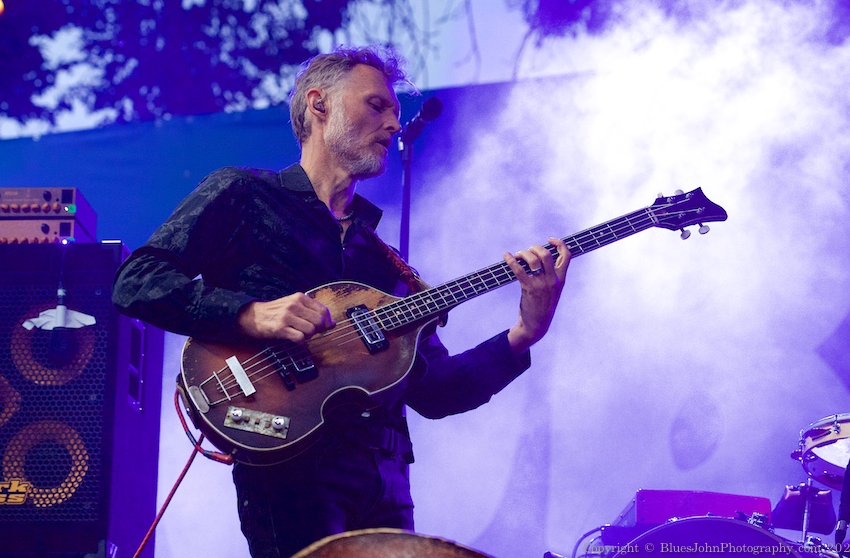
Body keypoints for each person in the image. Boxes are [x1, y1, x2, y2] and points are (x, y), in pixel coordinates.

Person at [112, 45, 571, 558]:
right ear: (319, 104)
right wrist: (249, 314)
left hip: (387, 483)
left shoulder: (388, 267)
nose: (393, 124)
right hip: (291, 470)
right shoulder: (244, 196)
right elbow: (137, 281)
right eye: (377, 106)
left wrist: (524, 333)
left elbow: (438, 393)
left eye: (394, 112)